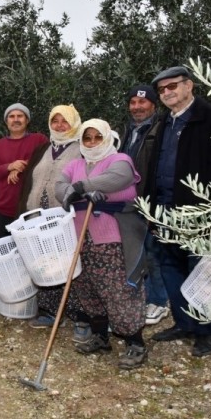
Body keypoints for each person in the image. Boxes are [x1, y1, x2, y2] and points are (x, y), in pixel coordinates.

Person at [145, 66, 211, 357]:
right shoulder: (163, 121)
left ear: (189, 85)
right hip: (164, 210)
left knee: (201, 271)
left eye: (172, 86)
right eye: (162, 90)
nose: (167, 92)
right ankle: (184, 323)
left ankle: (207, 331)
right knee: (171, 267)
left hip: (199, 213)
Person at [56, 119, 147, 369]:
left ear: (107, 138)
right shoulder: (75, 164)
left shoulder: (120, 160)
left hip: (112, 238)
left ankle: (135, 343)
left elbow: (116, 180)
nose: (93, 142)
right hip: (80, 237)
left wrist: (80, 188)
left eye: (98, 137)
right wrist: (76, 192)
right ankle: (100, 336)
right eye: (88, 138)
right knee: (87, 286)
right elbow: (59, 187)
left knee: (118, 290)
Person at [17, 105, 91, 341]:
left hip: (66, 219)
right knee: (46, 264)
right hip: (38, 217)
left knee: (73, 266)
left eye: (64, 121)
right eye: (55, 121)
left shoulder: (82, 149)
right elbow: (29, 181)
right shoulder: (43, 148)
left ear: (74, 123)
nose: (59, 126)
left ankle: (82, 316)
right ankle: (49, 310)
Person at [120, 85, 170, 327]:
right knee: (136, 252)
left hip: (151, 202)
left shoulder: (161, 129)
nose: (137, 107)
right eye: (133, 103)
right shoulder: (128, 131)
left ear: (153, 104)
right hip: (129, 203)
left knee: (153, 253)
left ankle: (159, 301)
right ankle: (144, 296)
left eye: (142, 102)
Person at [0, 103, 48, 238]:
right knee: (2, 254)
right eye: (11, 117)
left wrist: (21, 166)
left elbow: (47, 160)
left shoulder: (39, 139)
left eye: (20, 116)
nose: (16, 119)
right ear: (7, 122)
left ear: (27, 120)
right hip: (1, 211)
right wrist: (9, 167)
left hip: (30, 210)